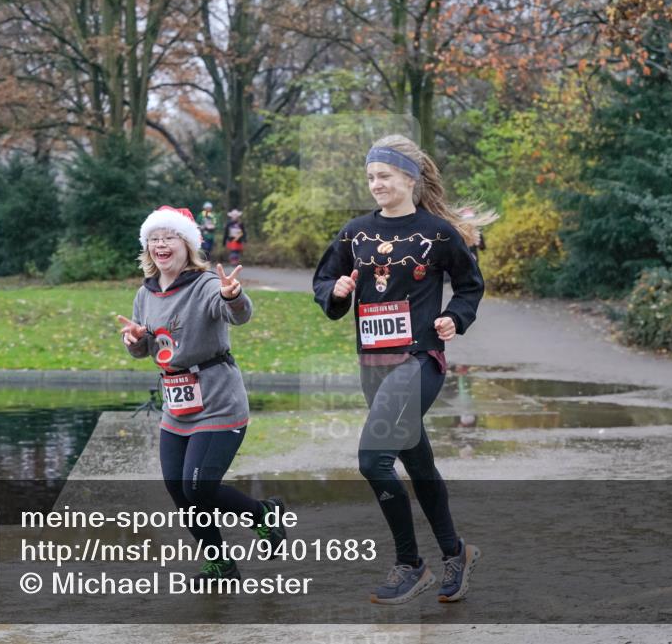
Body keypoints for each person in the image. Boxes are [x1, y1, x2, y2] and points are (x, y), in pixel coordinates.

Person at [313, 134, 495, 604]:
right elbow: (325, 280)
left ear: (409, 179)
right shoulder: (355, 232)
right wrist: (335, 292)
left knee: (373, 459)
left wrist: (454, 319)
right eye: (371, 177)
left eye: (385, 176)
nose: (376, 184)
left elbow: (471, 285)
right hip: (373, 363)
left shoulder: (437, 232)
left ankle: (410, 563)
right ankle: (457, 552)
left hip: (420, 360)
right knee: (416, 459)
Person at [118, 205, 286, 581]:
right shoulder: (144, 292)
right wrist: (135, 340)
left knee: (199, 486)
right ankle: (220, 563)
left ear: (187, 244)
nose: (161, 245)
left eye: (170, 237)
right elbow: (148, 348)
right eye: (154, 239)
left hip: (218, 402)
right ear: (148, 248)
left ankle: (263, 514)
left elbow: (237, 314)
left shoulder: (205, 283)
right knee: (179, 491)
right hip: (176, 407)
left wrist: (233, 296)